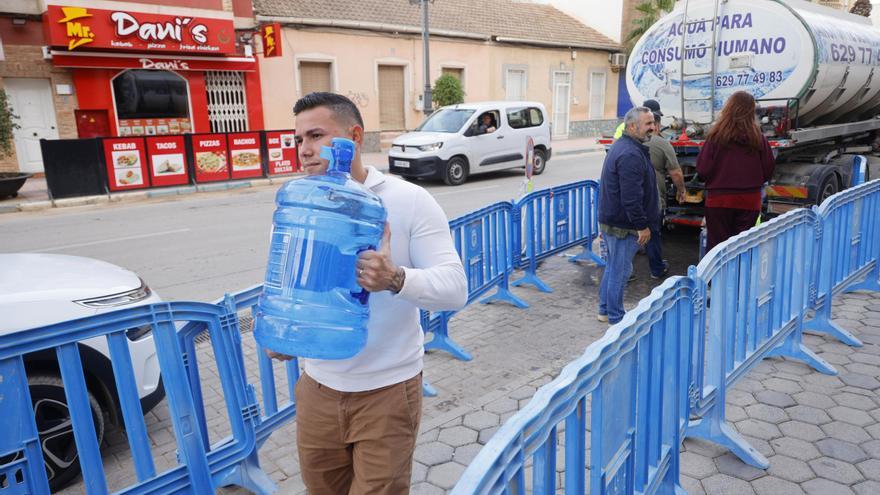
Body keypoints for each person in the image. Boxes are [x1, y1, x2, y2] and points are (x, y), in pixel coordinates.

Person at [269, 92, 468, 494]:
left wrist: (395, 279)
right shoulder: (303, 205)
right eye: (298, 140)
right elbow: (287, 286)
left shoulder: (408, 201)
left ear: (354, 137)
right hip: (317, 391)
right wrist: (283, 333)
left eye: (315, 136)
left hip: (387, 393)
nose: (303, 150)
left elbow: (455, 289)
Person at [597, 106, 660, 324]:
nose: (653, 127)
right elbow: (631, 197)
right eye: (648, 124)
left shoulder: (627, 147)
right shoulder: (630, 153)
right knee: (620, 271)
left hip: (615, 221)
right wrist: (642, 225)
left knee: (614, 267)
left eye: (653, 122)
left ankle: (605, 310)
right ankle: (616, 318)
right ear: (632, 126)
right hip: (623, 225)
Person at [696, 91, 775, 252]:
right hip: (749, 200)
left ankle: (717, 278)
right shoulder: (758, 138)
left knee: (717, 249)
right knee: (742, 248)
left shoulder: (715, 137)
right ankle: (739, 277)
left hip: (719, 199)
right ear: (751, 111)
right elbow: (768, 169)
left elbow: (703, 170)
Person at [645, 110, 686, 279]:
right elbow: (675, 172)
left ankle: (628, 272)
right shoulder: (661, 144)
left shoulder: (627, 142)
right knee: (653, 233)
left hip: (630, 197)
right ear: (656, 124)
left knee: (629, 233)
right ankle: (656, 269)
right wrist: (681, 190)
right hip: (653, 198)